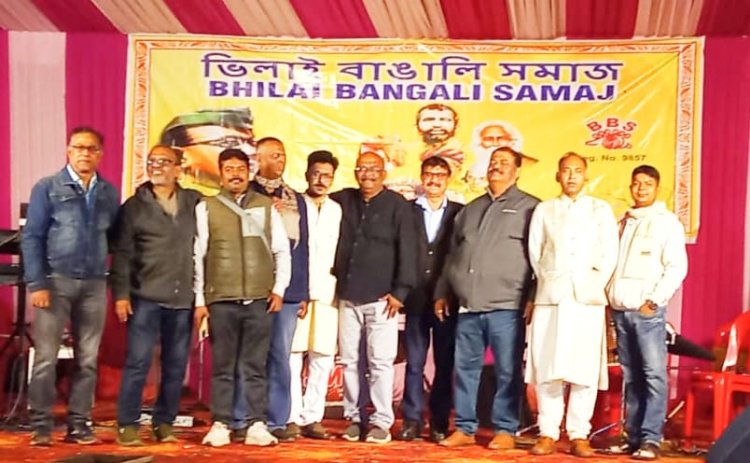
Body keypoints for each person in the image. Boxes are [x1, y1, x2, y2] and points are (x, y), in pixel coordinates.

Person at [435, 147, 539, 450]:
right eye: (493, 162)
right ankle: (465, 428)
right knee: (465, 370)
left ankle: (506, 429)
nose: (497, 166)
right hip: (468, 306)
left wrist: (533, 296)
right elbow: (452, 255)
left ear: (517, 171)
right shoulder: (470, 209)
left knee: (507, 371)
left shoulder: (531, 208)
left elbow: (540, 258)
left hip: (507, 306)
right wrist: (442, 292)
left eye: (504, 163)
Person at [22, 127, 120, 446]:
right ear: (68, 150)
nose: (84, 154)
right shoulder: (47, 187)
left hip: (94, 283)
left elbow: (114, 238)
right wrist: (37, 283)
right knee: (46, 358)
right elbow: (32, 237)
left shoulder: (108, 193)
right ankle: (41, 426)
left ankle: (79, 425)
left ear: (100, 154)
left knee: (87, 360)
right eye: (78, 147)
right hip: (55, 281)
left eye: (91, 149)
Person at [194, 149, 291, 447]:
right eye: (229, 169)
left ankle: (256, 424)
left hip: (259, 300)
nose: (235, 174)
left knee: (255, 366)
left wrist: (279, 289)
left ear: (248, 172)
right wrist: (200, 300)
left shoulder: (266, 206)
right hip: (221, 300)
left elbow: (281, 251)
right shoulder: (207, 207)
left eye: (240, 169)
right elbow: (198, 255)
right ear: (221, 174)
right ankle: (221, 424)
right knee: (223, 367)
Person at [526, 152, 619, 457]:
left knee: (584, 369)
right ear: (558, 175)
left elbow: (609, 253)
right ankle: (548, 432)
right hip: (552, 297)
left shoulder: (600, 210)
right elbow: (536, 252)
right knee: (548, 367)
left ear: (586, 175)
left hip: (587, 298)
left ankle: (580, 434)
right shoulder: (545, 209)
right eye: (566, 170)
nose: (571, 176)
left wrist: (591, 281)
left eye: (577, 171)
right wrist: (552, 279)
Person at [110, 145, 202, 446]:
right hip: (144, 298)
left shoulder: (194, 202)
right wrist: (121, 295)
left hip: (182, 299)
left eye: (164, 162)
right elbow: (121, 254)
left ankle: (164, 423)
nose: (157, 166)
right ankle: (127, 425)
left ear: (178, 169)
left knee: (175, 367)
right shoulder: (134, 206)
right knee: (138, 363)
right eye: (152, 161)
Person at [331, 152, 417, 444]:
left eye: (373, 169)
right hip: (348, 296)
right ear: (355, 172)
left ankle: (381, 422)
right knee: (350, 361)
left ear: (384, 173)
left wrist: (400, 292)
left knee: (380, 362)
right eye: (362, 168)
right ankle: (354, 418)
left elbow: (409, 250)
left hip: (383, 300)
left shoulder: (397, 205)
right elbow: (313, 200)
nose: (367, 174)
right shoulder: (344, 200)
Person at [606, 165, 688, 460]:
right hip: (620, 312)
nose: (641, 189)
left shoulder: (667, 223)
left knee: (653, 375)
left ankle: (651, 439)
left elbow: (676, 267)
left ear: (657, 188)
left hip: (647, 313)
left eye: (647, 184)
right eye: (636, 183)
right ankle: (633, 437)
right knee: (632, 377)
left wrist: (653, 301)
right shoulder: (623, 222)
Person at [239, 137, 310, 442]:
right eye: (274, 155)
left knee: (280, 355)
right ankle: (242, 417)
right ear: (259, 158)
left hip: (288, 291)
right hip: (251, 288)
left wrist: (303, 291)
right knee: (249, 354)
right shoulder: (245, 194)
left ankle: (278, 419)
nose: (280, 160)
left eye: (282, 155)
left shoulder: (295, 197)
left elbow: (303, 247)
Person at [396, 156, 463, 443]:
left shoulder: (460, 213)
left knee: (445, 364)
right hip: (415, 298)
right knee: (414, 363)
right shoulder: (406, 210)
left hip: (447, 300)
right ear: (422, 177)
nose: (434, 180)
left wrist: (447, 292)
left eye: (440, 175)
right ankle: (411, 420)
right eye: (429, 174)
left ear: (448, 179)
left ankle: (439, 422)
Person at [287, 150, 342, 440]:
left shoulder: (337, 209)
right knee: (293, 354)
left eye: (327, 176)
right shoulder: (293, 204)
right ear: (307, 174)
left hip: (329, 292)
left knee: (322, 357)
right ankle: (291, 416)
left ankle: (313, 417)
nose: (321, 180)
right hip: (297, 291)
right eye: (317, 174)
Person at [160, 108, 256, 189]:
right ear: (182, 157)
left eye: (251, 142)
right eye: (229, 142)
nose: (251, 151)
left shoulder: (256, 196)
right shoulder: (182, 199)